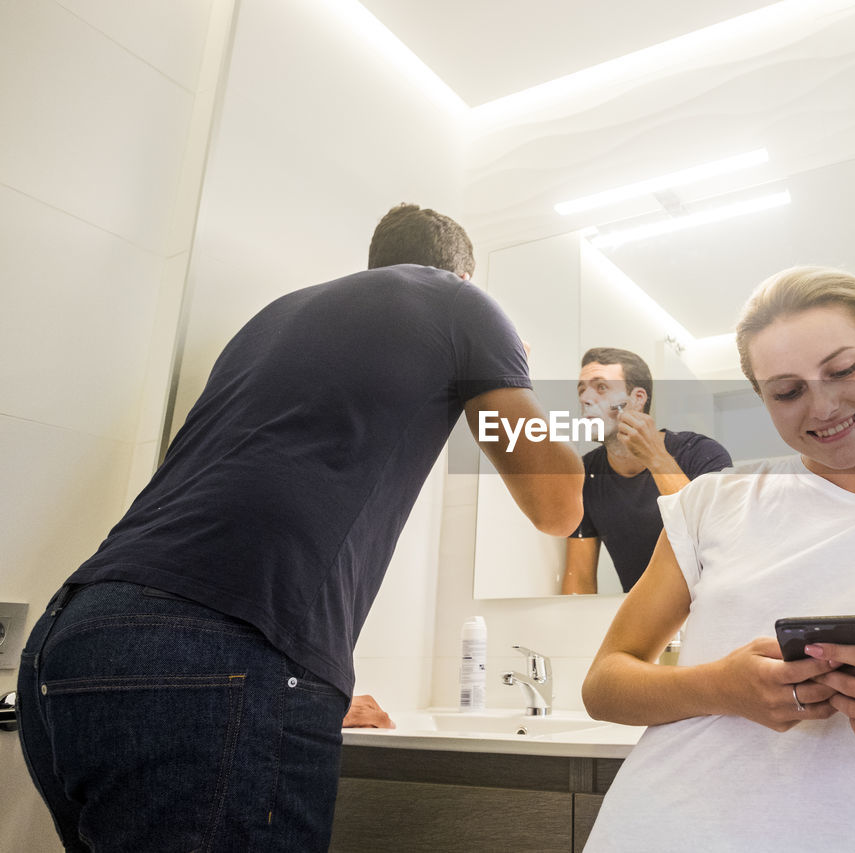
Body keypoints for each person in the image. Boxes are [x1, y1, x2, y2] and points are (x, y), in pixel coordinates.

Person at [16, 203, 584, 851]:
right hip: (217, 655)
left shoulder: (278, 316)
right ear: (462, 272)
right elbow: (557, 503)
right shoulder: (462, 303)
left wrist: (299, 687)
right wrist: (511, 369)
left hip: (74, 640)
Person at [580, 267, 855, 852]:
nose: (822, 407)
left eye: (843, 371)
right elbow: (604, 684)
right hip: (658, 826)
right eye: (787, 392)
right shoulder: (714, 500)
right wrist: (722, 687)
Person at [563, 347, 732, 594]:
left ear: (637, 399)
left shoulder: (700, 454)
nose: (585, 399)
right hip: (645, 619)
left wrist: (655, 456)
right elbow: (579, 578)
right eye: (582, 389)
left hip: (712, 607)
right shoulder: (585, 474)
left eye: (600, 387)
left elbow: (713, 539)